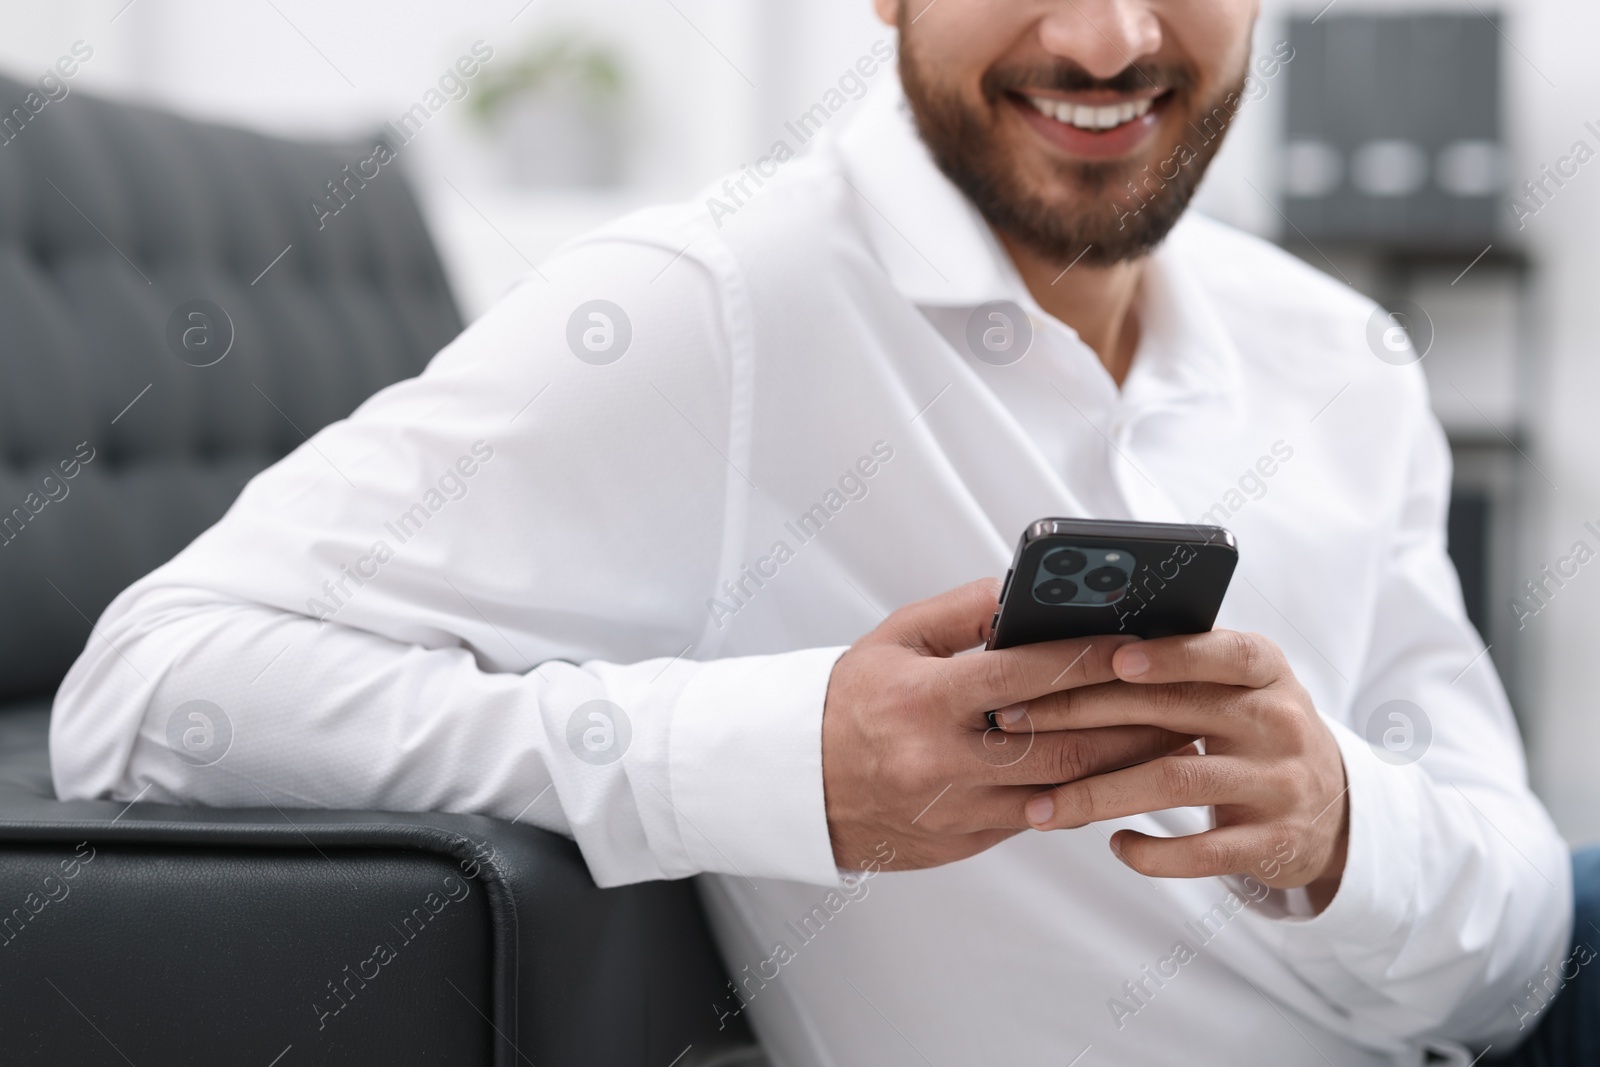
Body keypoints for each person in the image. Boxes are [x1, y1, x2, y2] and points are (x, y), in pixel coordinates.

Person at [51, 0, 1592, 1062]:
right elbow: (147, 691)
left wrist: (1337, 833)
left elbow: (1518, 945)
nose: (1111, 38)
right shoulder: (712, 309)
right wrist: (786, 765)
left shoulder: (1345, 355)